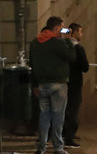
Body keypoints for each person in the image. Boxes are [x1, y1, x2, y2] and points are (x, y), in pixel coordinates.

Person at [30, 16, 76, 154]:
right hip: (58, 84)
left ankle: (41, 147)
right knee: (58, 117)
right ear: (56, 28)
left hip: (42, 85)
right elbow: (72, 57)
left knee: (44, 116)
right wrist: (67, 39)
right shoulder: (58, 43)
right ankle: (58, 147)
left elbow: (32, 64)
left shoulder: (35, 43)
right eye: (61, 27)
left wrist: (35, 85)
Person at [63, 22, 89, 149]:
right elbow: (85, 67)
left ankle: (61, 133)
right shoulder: (78, 48)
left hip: (63, 81)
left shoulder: (63, 45)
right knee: (73, 108)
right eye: (80, 31)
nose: (81, 34)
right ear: (73, 32)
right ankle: (69, 136)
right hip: (75, 82)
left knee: (64, 108)